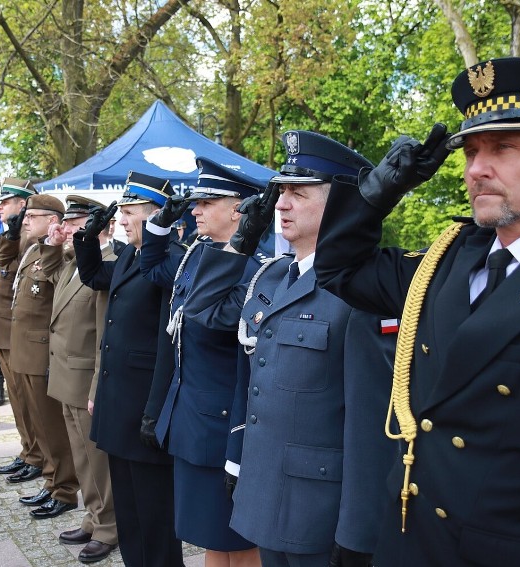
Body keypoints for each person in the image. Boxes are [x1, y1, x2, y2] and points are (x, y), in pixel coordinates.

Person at [314, 57, 520, 567]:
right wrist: (379, 193)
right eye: (470, 151)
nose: (476, 169)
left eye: (504, 148)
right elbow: (338, 269)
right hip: (410, 544)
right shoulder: (447, 262)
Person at [183, 132, 398, 567]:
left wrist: (359, 530)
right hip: (266, 493)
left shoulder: (365, 291)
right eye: (281, 192)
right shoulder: (272, 276)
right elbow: (205, 316)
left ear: (341, 204)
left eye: (298, 194)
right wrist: (242, 240)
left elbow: (372, 424)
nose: (281, 205)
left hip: (321, 512)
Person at [139, 158, 265, 567]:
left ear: (240, 209)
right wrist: (159, 223)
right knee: (211, 535)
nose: (195, 210)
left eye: (207, 201)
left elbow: (212, 316)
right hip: (192, 418)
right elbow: (153, 267)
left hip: (222, 424)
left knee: (239, 540)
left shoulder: (257, 269)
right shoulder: (198, 253)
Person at [76, 171, 185, 567]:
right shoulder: (129, 255)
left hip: (145, 409)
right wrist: (89, 236)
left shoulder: (171, 259)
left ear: (158, 215)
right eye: (120, 211)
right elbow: (92, 276)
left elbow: (167, 348)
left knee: (155, 517)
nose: (122, 219)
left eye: (130, 211)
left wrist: (155, 413)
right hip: (119, 405)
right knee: (130, 514)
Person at [46, 195, 119, 563]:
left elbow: (106, 334)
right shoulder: (74, 262)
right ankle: (93, 517)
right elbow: (48, 278)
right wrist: (55, 244)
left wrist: (96, 385)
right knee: (80, 456)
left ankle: (109, 526)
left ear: (100, 227)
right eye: (70, 224)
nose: (68, 230)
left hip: (85, 377)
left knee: (97, 458)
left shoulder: (108, 265)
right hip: (64, 373)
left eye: (75, 225)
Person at [4, 193, 80, 520]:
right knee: (38, 424)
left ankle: (63, 488)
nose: (26, 221)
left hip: (41, 349)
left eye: (32, 216)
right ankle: (51, 482)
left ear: (52, 221)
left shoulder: (58, 253)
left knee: (51, 427)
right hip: (23, 347)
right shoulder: (34, 248)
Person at [0, 178, 46, 480]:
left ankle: (37, 455)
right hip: (3, 327)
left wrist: (11, 230)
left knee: (26, 398)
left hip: (15, 328)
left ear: (23, 203)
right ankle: (28, 450)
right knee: (17, 399)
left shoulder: (30, 236)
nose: (0, 206)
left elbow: (3, 256)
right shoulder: (14, 233)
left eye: (6, 201)